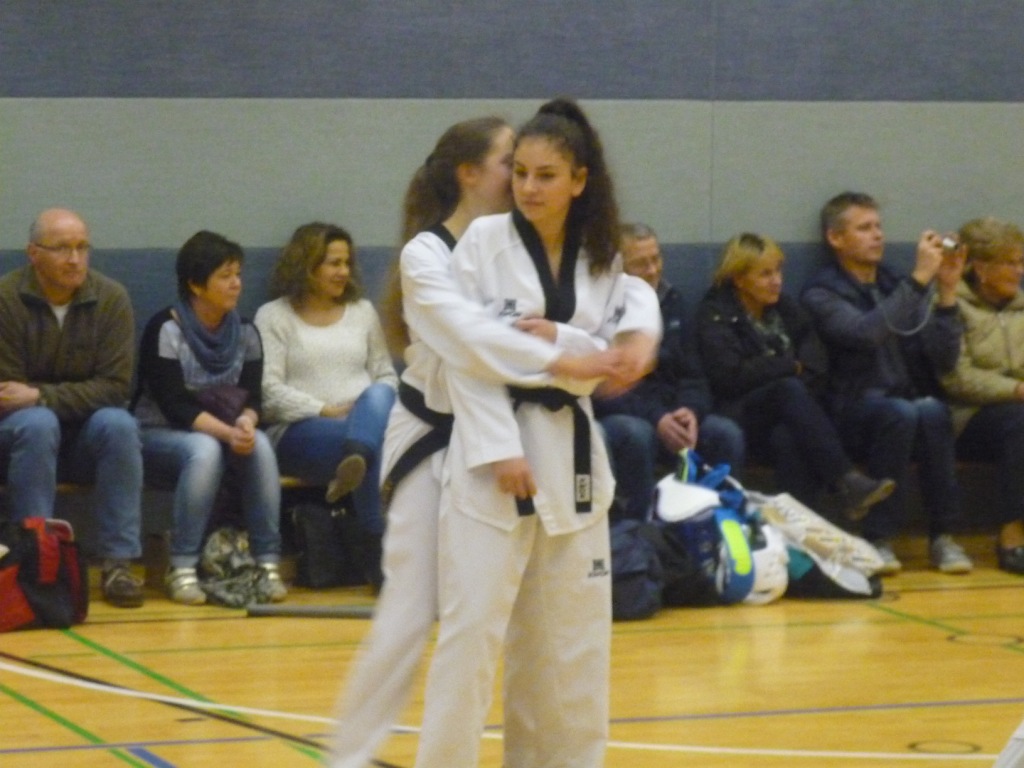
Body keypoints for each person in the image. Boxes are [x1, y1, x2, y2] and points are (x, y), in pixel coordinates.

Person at [329, 116, 651, 767]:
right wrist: (521, 416)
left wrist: (593, 342)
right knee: (436, 620)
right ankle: (353, 755)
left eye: (542, 172)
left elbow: (624, 305)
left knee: (559, 635)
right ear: (471, 173)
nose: (525, 182)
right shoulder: (447, 250)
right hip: (448, 435)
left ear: (577, 180)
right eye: (515, 166)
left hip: (550, 444)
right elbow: (469, 347)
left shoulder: (576, 250)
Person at [801, 191, 972, 574]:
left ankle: (943, 535)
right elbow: (865, 334)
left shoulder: (896, 282)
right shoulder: (821, 291)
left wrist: (946, 291)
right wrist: (919, 279)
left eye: (878, 226)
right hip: (851, 409)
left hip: (906, 401)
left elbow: (944, 359)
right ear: (835, 238)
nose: (877, 235)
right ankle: (878, 536)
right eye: (864, 228)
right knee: (900, 413)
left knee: (933, 411)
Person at [0, 208, 145, 608]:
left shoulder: (111, 298)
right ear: (33, 253)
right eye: (62, 248)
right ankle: (35, 558)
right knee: (37, 423)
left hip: (84, 439)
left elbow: (115, 388)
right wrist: (44, 402)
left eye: (82, 247)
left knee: (119, 424)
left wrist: (41, 395)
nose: (75, 259)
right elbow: (8, 392)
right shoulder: (6, 299)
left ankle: (118, 564)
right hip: (18, 438)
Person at [133, 230, 285, 605]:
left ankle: (267, 563)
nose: (236, 284)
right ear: (196, 285)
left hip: (223, 431)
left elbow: (254, 396)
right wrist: (228, 434)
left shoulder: (246, 332)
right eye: (225, 276)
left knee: (260, 444)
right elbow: (175, 405)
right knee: (204, 449)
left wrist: (247, 422)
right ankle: (182, 566)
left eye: (238, 274)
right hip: (159, 434)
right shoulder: (165, 329)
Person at [696, 232, 893, 516]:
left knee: (789, 438)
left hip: (794, 413)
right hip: (740, 411)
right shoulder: (715, 313)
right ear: (739, 279)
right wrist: (787, 365)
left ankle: (800, 531)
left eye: (778, 271)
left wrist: (785, 371)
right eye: (765, 274)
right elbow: (730, 376)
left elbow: (816, 361)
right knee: (787, 389)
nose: (776, 280)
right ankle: (845, 480)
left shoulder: (784, 308)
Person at [255, 223, 397, 584]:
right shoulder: (274, 316)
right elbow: (268, 391)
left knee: (379, 396)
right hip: (300, 431)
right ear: (307, 265)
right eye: (334, 263)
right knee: (375, 446)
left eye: (347, 263)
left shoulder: (362, 311)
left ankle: (357, 453)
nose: (343, 272)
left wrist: (360, 416)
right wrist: (325, 410)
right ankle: (380, 550)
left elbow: (386, 376)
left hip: (363, 422)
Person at [594, 222, 745, 522]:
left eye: (656, 258)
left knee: (725, 434)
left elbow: (694, 373)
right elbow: (604, 389)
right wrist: (657, 417)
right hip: (628, 414)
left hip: (673, 410)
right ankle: (637, 530)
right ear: (618, 268)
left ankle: (719, 524)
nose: (653, 270)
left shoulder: (674, 301)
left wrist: (691, 410)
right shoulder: (600, 311)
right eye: (641, 263)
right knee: (635, 435)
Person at [939, 217, 1024, 574]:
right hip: (967, 417)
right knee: (1020, 424)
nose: (1020, 271)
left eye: (1021, 262)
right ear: (981, 269)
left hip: (1014, 408)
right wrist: (1016, 389)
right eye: (1011, 263)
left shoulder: (1021, 308)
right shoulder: (950, 305)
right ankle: (1012, 536)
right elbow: (956, 377)